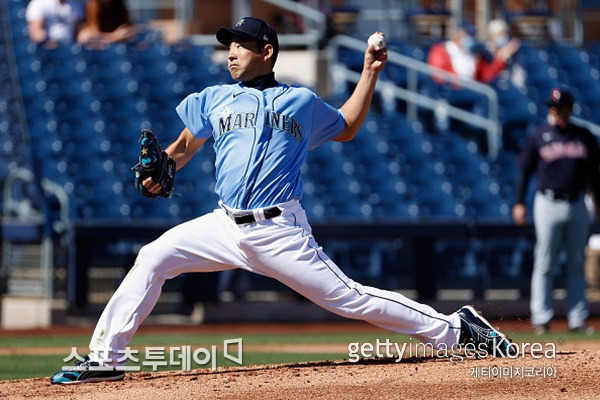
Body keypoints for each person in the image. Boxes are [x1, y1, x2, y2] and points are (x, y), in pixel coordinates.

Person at [50, 17, 515, 384]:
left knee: (350, 299)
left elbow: (347, 127)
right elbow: (183, 146)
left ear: (266, 52)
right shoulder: (215, 98)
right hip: (224, 225)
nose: (231, 51)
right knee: (152, 257)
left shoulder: (301, 101)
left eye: (241, 44)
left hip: (279, 230)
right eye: (228, 44)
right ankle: (105, 359)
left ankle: (458, 330)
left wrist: (369, 72)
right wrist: (161, 168)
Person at [512, 88, 600, 335]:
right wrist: (519, 202)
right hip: (548, 203)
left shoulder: (584, 136)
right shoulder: (539, 135)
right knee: (545, 262)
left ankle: (577, 320)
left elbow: (594, 174)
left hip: (577, 203)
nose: (554, 110)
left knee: (576, 263)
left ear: (570, 109)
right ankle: (541, 318)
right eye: (552, 106)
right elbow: (524, 171)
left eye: (559, 107)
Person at [427, 21, 518, 85]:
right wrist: (458, 85)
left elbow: (486, 76)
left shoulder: (474, 53)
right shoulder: (440, 50)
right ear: (457, 34)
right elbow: (438, 76)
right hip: (452, 91)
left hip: (472, 90)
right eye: (466, 33)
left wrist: (499, 59)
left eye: (470, 34)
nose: (468, 37)